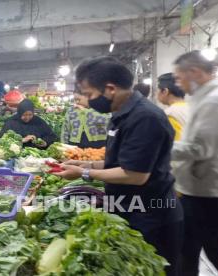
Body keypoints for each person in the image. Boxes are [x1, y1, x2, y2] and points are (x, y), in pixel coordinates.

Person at [52, 57, 183, 276]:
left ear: (110, 89)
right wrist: (85, 162)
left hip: (152, 216)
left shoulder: (145, 118)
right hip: (131, 209)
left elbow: (134, 174)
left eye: (89, 94)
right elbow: (122, 161)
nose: (87, 100)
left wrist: (83, 173)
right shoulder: (121, 114)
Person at [171, 51, 218, 275]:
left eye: (179, 78)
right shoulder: (204, 99)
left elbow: (200, 148)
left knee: (208, 248)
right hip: (198, 189)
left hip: (206, 193)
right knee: (188, 249)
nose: (178, 84)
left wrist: (158, 148)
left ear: (194, 73)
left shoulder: (211, 101)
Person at [157, 73, 189, 141]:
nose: (156, 93)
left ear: (165, 91)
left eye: (157, 90)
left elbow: (174, 145)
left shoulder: (169, 114)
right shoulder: (192, 107)